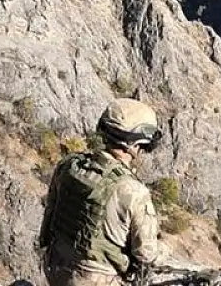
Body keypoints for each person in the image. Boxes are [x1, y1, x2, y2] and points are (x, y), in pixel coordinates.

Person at [39, 98, 168, 286]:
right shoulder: (133, 191)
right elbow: (146, 254)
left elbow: (49, 220)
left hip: (56, 270)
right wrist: (164, 250)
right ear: (135, 143)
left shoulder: (69, 165)